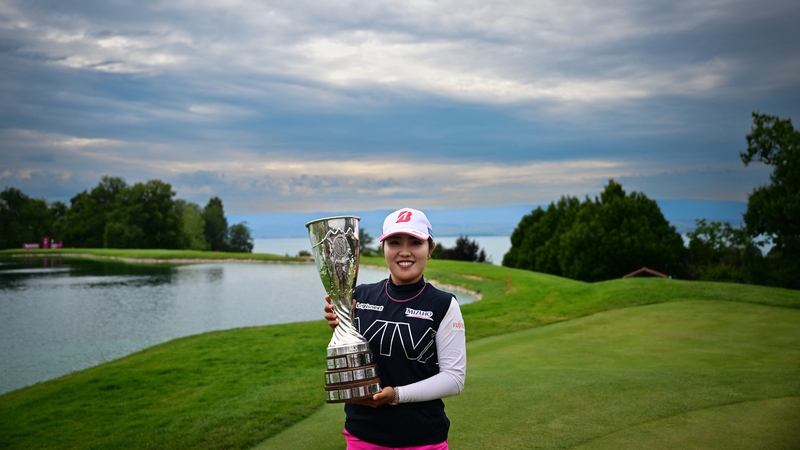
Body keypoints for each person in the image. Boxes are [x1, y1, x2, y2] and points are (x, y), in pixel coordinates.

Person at [324, 208, 467, 450]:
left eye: (415, 242)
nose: (404, 251)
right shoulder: (358, 295)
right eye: (394, 242)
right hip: (362, 435)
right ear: (383, 248)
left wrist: (396, 395)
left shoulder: (443, 304)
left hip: (423, 439)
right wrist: (339, 328)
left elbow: (454, 379)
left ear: (429, 249)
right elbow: (355, 363)